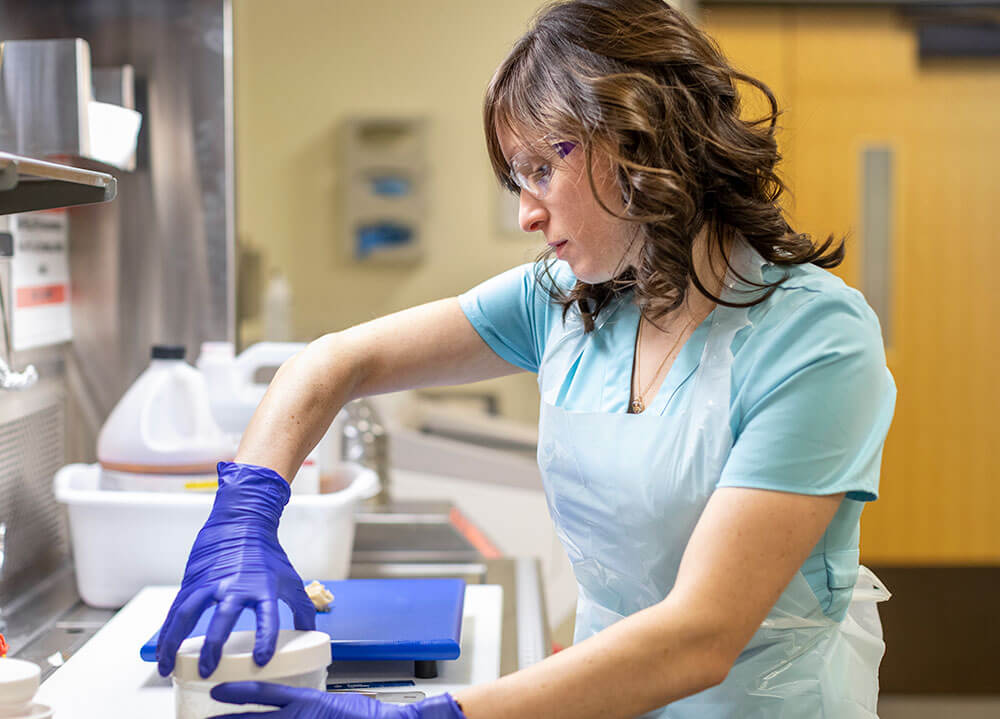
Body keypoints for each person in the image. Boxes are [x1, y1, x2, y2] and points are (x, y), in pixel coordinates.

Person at [155, 1, 896, 717]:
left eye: (544, 167)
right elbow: (333, 362)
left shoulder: (815, 341)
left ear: (640, 137)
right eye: (519, 177)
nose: (526, 212)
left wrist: (429, 714)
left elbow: (701, 637)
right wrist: (245, 511)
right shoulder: (568, 298)